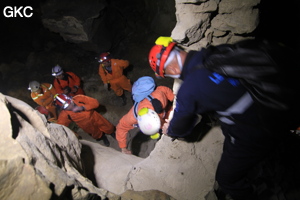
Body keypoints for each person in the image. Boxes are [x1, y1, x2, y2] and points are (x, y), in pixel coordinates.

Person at [148, 37, 299, 200]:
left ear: (170, 68)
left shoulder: (189, 89)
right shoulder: (214, 53)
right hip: (271, 106)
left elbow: (180, 127)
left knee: (226, 179)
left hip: (253, 129)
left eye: (166, 74)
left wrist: (169, 129)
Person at [116, 76, 174, 154]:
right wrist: (123, 147)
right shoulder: (133, 116)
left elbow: (164, 90)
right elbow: (121, 127)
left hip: (167, 114)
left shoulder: (160, 97)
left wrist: (173, 99)